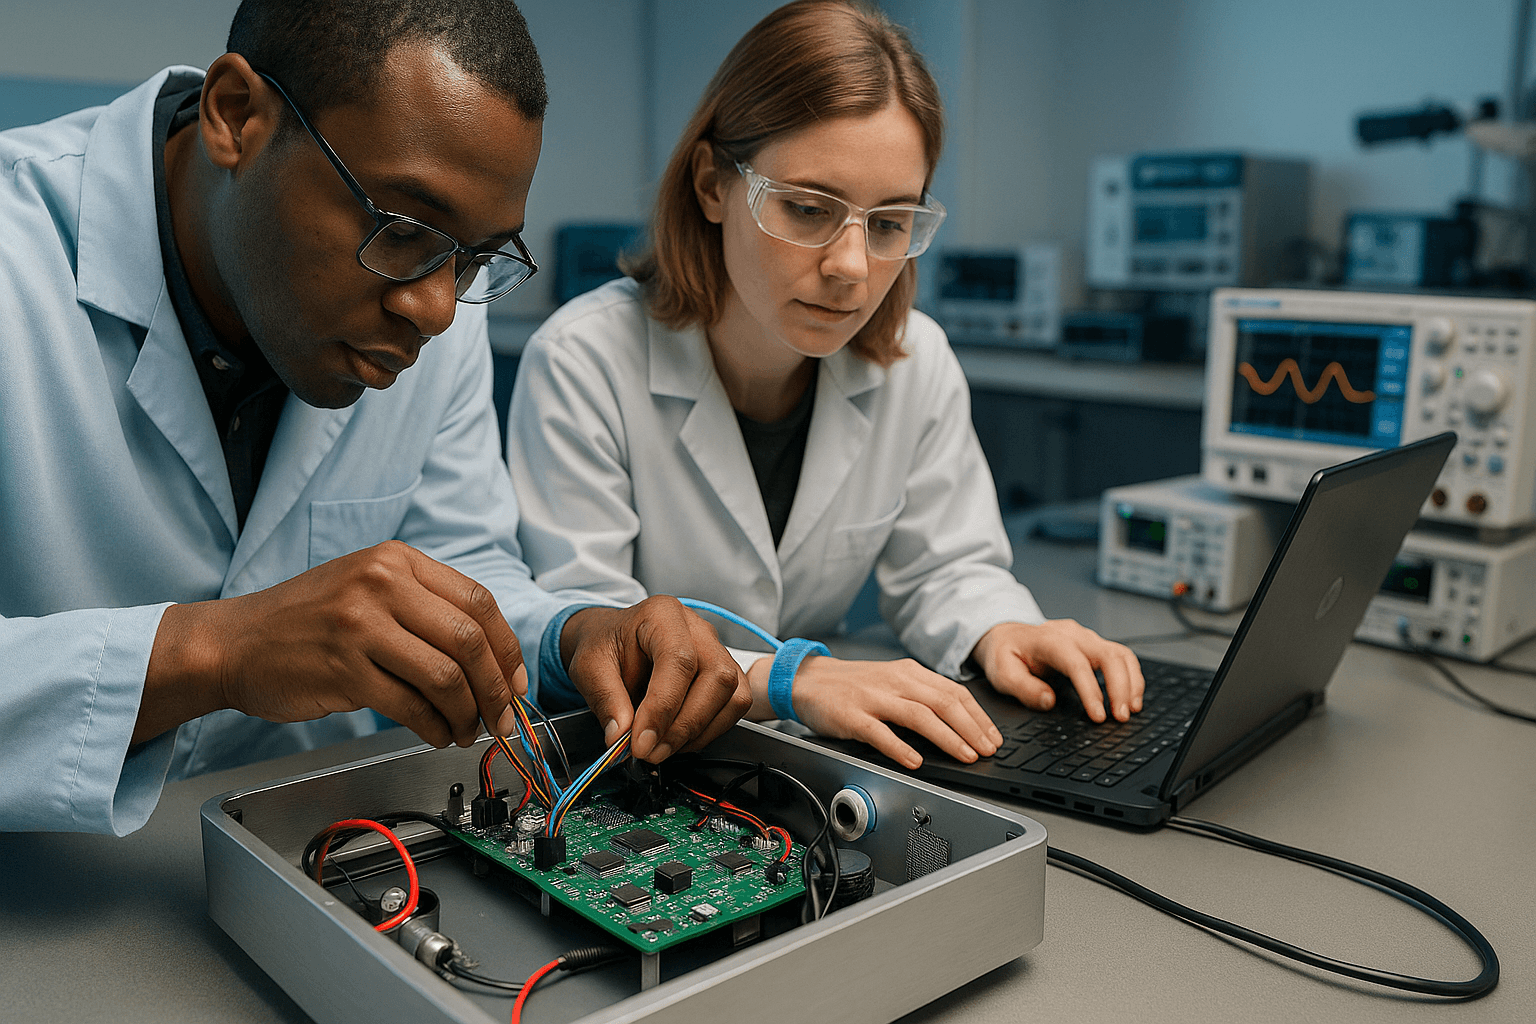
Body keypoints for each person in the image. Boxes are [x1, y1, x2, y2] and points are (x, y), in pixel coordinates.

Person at [0, 0, 749, 836]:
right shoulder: (15, 259)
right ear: (236, 116)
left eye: (474, 256)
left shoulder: (436, 299)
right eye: (401, 228)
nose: (435, 308)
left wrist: (573, 637)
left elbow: (460, 563)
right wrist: (212, 652)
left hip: (319, 857)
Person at [507, 0, 1144, 772]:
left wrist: (1000, 627)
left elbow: (947, 568)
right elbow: (595, 640)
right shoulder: (584, 360)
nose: (851, 267)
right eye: (808, 210)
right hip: (635, 768)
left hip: (801, 760)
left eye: (887, 224)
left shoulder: (916, 360)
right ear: (712, 185)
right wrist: (791, 677)